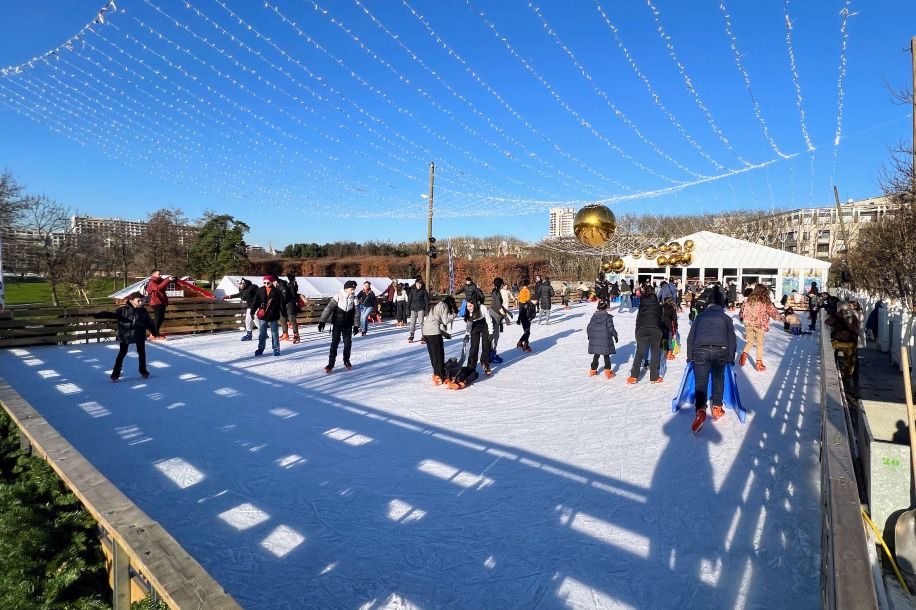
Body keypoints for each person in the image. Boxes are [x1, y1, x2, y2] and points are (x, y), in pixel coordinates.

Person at [685, 288, 736, 434]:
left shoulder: (700, 317)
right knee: (718, 379)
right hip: (721, 350)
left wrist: (690, 357)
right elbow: (732, 340)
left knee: (701, 383)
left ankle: (700, 411)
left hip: (700, 350)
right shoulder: (726, 319)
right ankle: (717, 408)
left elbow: (691, 338)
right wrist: (730, 359)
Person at [93, 292, 157, 381]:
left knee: (141, 352)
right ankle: (116, 372)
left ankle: (143, 370)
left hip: (139, 333)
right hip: (126, 334)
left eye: (142, 301)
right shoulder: (122, 310)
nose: (141, 303)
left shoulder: (143, 311)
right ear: (131, 301)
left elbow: (149, 322)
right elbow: (112, 315)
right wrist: (101, 315)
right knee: (122, 352)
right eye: (138, 301)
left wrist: (154, 332)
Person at [446, 297, 493, 389]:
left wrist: (491, 332)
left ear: (474, 304)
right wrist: (467, 334)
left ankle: (485, 363)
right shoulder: (468, 312)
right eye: (467, 306)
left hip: (484, 325)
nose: (469, 308)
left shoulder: (482, 307)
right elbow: (469, 324)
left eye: (470, 306)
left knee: (486, 345)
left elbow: (488, 320)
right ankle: (471, 366)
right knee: (474, 347)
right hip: (474, 326)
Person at [738, 285, 783, 371]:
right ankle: (759, 363)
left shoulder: (748, 299)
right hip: (759, 323)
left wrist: (742, 317)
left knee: (750, 341)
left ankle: (744, 355)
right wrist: (780, 318)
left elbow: (742, 310)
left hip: (748, 323)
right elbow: (772, 311)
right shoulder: (765, 300)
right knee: (759, 344)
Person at [318, 280, 358, 373]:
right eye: (352, 289)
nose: (353, 291)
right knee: (334, 344)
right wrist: (322, 321)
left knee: (348, 344)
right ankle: (330, 364)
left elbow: (357, 313)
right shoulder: (338, 296)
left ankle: (346, 360)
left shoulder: (355, 299)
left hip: (348, 325)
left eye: (354, 289)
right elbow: (328, 309)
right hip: (337, 325)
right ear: (346, 289)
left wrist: (356, 325)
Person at [628, 285, 665, 384]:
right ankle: (654, 377)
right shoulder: (658, 305)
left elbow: (638, 319)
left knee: (639, 352)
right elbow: (661, 320)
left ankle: (633, 376)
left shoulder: (642, 304)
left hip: (642, 329)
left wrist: (637, 331)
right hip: (655, 329)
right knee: (655, 352)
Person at [422, 295, 459, 385]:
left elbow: (436, 320)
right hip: (434, 332)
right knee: (439, 354)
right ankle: (441, 376)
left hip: (426, 331)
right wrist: (454, 315)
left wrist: (444, 334)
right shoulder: (444, 306)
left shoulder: (436, 306)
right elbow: (445, 321)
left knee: (433, 355)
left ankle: (436, 373)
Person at [251, 275, 286, 357]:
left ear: (272, 282)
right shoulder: (260, 290)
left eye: (268, 282)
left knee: (274, 333)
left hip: (273, 314)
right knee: (262, 333)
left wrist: (284, 313)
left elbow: (281, 303)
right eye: (264, 282)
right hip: (263, 315)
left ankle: (276, 348)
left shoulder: (277, 291)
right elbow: (255, 302)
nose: (266, 284)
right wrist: (252, 311)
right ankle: (261, 348)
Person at [586, 301, 618, 379]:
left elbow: (589, 327)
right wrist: (615, 335)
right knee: (606, 355)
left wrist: (589, 335)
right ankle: (608, 372)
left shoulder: (594, 317)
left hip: (595, 339)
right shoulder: (608, 317)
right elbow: (611, 328)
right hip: (605, 340)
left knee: (596, 355)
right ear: (605, 308)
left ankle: (593, 370)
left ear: (598, 308)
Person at [488, 277, 511, 364]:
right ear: (500, 284)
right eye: (502, 283)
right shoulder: (496, 293)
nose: (503, 284)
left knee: (495, 336)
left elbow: (498, 305)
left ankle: (492, 354)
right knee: (495, 336)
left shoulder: (495, 291)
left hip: (494, 314)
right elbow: (498, 306)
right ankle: (492, 356)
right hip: (494, 316)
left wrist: (507, 312)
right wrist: (505, 317)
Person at [146, 270, 173, 340]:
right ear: (153, 275)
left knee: (161, 318)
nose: (160, 275)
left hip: (162, 301)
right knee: (158, 318)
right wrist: (167, 280)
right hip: (155, 301)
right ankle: (154, 334)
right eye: (158, 274)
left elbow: (163, 286)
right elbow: (158, 288)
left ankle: (155, 333)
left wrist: (171, 280)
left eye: (160, 274)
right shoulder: (151, 282)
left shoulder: (160, 281)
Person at [279, 273, 301, 343]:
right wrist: (296, 301)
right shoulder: (290, 285)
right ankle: (288, 334)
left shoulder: (291, 285)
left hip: (289, 304)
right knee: (288, 318)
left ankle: (293, 334)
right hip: (290, 304)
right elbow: (293, 294)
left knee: (290, 318)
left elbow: (294, 293)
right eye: (294, 278)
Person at [407, 279, 429, 343]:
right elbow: (409, 300)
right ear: (415, 284)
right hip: (413, 309)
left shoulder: (424, 291)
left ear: (421, 285)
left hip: (421, 308)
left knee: (421, 322)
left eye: (420, 284)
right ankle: (411, 335)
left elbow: (427, 301)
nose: (418, 286)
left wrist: (426, 309)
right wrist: (407, 308)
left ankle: (424, 335)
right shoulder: (412, 291)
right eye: (417, 284)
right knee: (412, 323)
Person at [516, 281, 534, 352]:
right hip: (525, 310)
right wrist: (529, 303)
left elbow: (520, 298)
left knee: (526, 331)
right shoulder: (527, 291)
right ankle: (522, 343)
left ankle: (525, 344)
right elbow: (527, 299)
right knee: (527, 331)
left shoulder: (522, 291)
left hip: (522, 310)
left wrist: (518, 319)